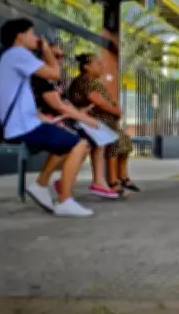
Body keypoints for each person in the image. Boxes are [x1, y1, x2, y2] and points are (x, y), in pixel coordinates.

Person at [0, 19, 93, 217]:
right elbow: (55, 75)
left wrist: (40, 117)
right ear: (20, 35)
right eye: (32, 33)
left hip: (22, 123)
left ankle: (41, 185)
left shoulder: (9, 57)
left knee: (64, 144)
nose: (36, 38)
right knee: (80, 144)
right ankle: (65, 200)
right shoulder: (18, 54)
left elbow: (15, 97)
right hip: (19, 127)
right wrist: (46, 50)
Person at [31, 42, 122, 200]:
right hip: (49, 120)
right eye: (55, 56)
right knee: (80, 142)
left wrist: (79, 113)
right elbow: (58, 106)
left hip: (63, 118)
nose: (60, 60)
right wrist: (85, 116)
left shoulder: (55, 80)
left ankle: (84, 183)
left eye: (62, 56)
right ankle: (47, 185)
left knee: (93, 139)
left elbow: (64, 105)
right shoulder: (42, 79)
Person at [67, 53, 140, 194]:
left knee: (125, 142)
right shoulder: (85, 80)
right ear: (87, 67)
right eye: (98, 64)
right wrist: (115, 110)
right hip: (93, 122)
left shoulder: (92, 81)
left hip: (103, 122)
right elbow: (97, 100)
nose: (102, 67)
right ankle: (113, 181)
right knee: (115, 142)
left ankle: (123, 176)